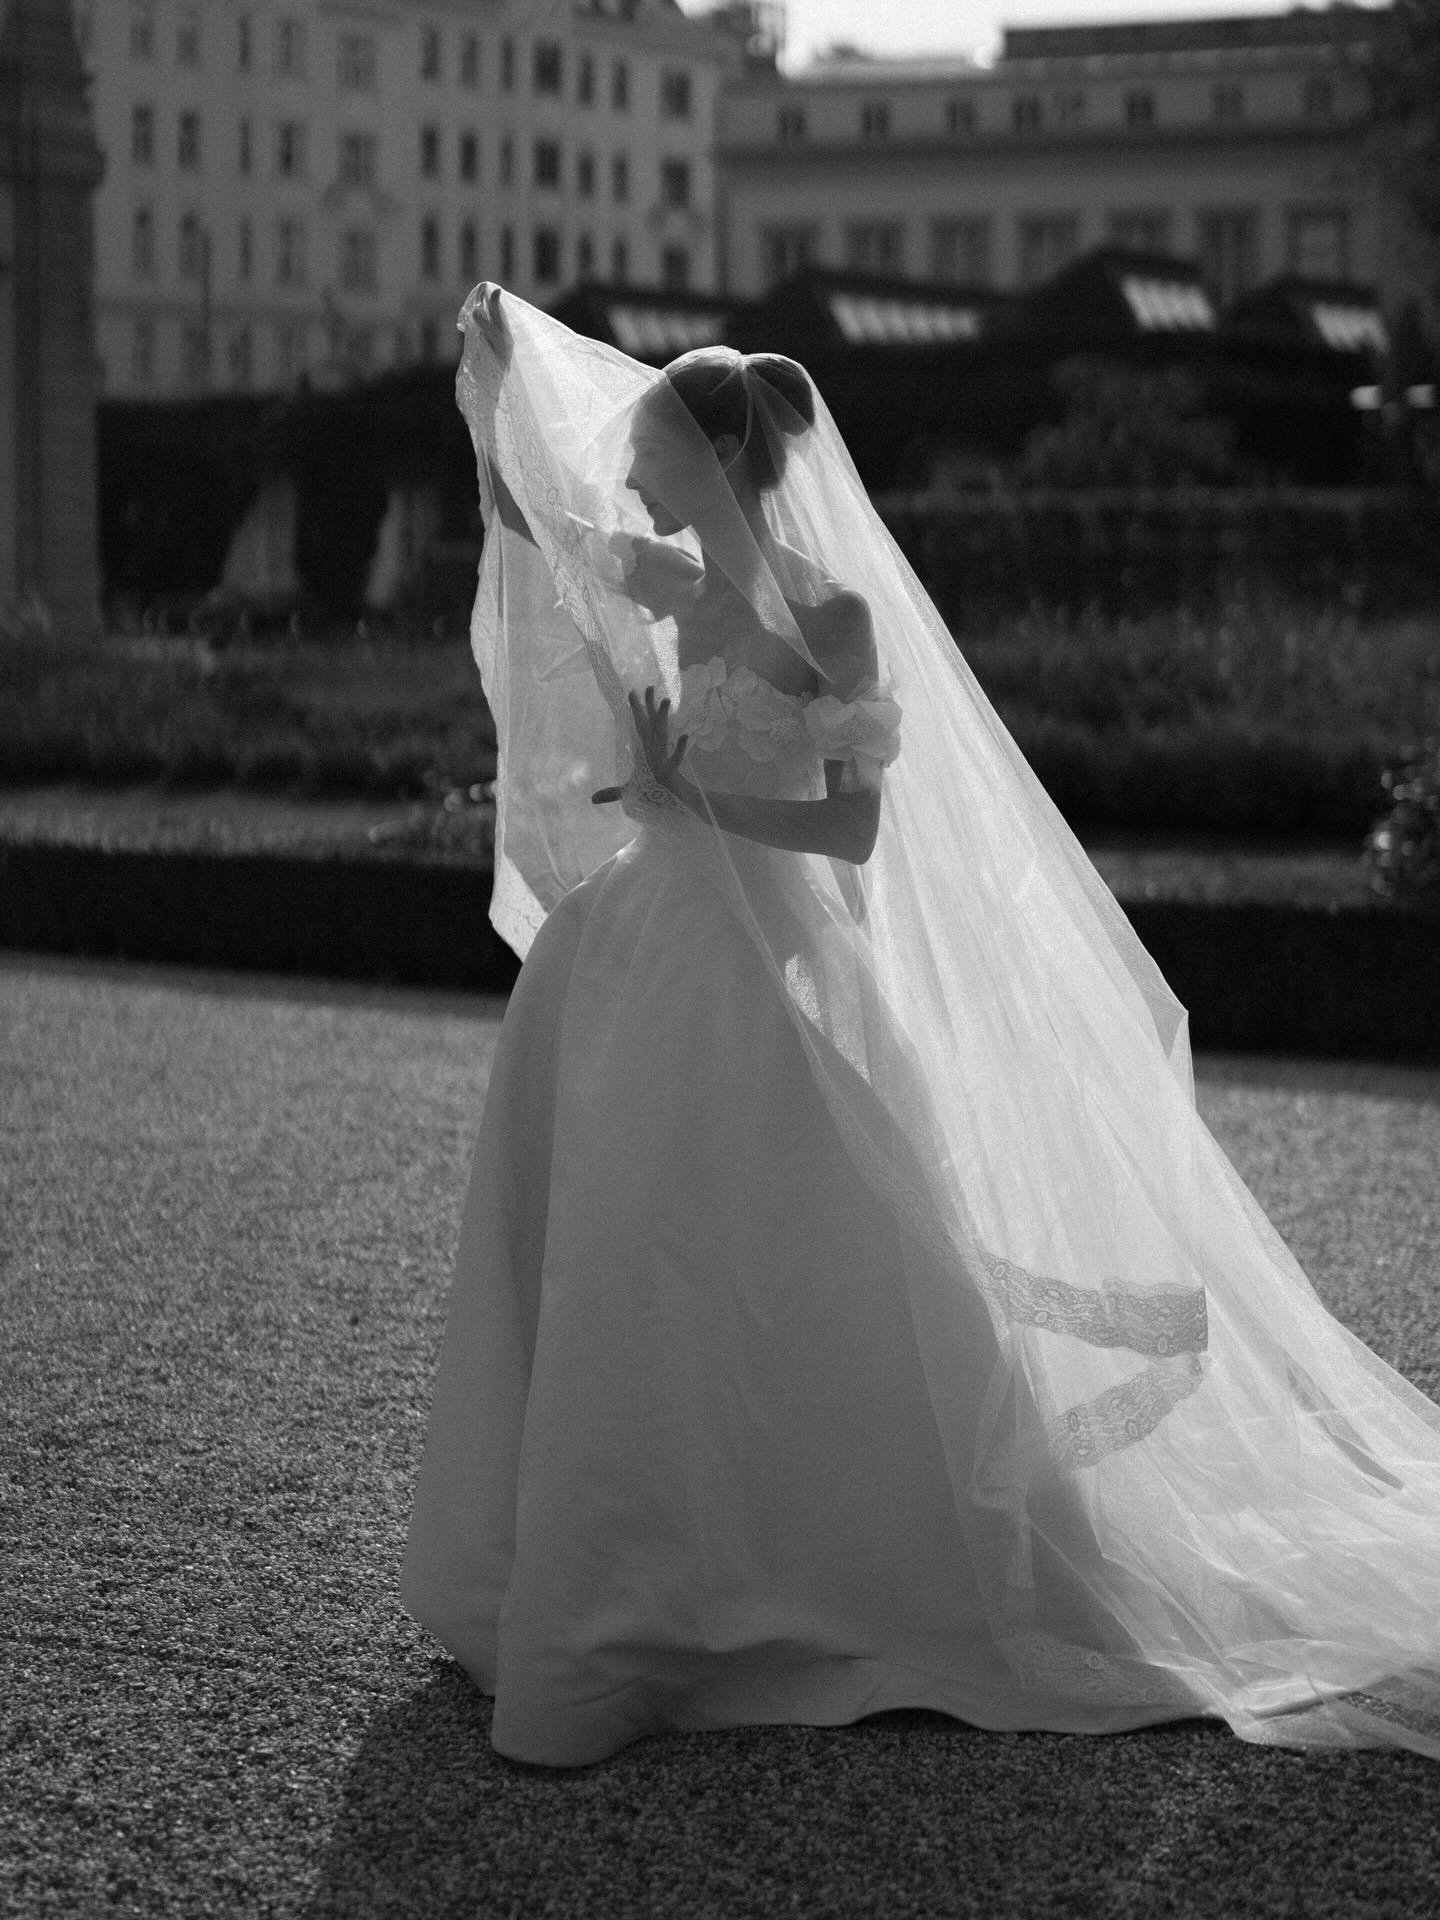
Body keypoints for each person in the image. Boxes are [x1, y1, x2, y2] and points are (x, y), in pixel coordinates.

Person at [403, 284, 1440, 1769]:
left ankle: (794, 1565)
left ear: (718, 458)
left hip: (769, 949)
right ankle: (639, 1559)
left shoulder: (829, 615)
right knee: (636, 1231)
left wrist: (700, 803)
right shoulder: (683, 586)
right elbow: (543, 521)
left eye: (653, 458)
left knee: (794, 1246)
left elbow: (852, 830)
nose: (633, 482)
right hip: (653, 933)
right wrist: (500, 366)